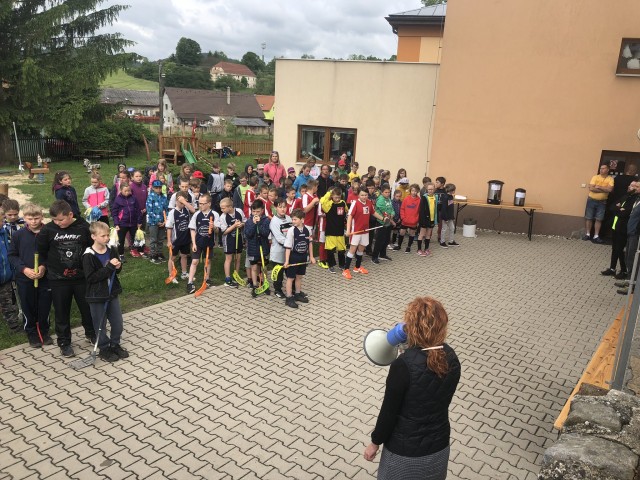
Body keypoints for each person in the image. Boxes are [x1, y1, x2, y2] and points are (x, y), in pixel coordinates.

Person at [364, 297, 461, 480]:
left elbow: (389, 412)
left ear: (412, 327)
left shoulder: (403, 365)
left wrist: (375, 442)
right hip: (439, 448)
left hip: (404, 454)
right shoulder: (451, 357)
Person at [37, 200, 96, 357]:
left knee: (87, 308)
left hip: (81, 277)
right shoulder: (48, 230)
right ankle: (64, 342)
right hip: (58, 279)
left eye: (61, 219)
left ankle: (91, 333)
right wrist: (43, 265)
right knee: (61, 311)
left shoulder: (83, 227)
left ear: (70, 215)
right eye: (54, 220)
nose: (57, 223)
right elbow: (41, 251)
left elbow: (93, 247)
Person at [82, 221, 128, 363]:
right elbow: (91, 277)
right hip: (96, 295)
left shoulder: (111, 249)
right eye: (103, 236)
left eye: (108, 235)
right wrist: (109, 267)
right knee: (100, 323)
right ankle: (104, 347)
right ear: (93, 236)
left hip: (111, 292)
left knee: (117, 322)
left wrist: (118, 266)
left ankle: (115, 344)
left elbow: (116, 270)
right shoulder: (88, 255)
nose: (106, 238)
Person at [8, 203, 52, 345]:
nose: (33, 221)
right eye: (30, 218)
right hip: (25, 278)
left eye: (36, 218)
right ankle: (31, 332)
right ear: (24, 218)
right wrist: (24, 269)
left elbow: (53, 254)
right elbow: (12, 255)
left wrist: (44, 266)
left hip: (45, 278)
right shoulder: (18, 235)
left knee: (44, 305)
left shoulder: (48, 232)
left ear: (42, 217)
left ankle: (44, 331)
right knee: (28, 305)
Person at [343, 187, 386, 280]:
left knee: (361, 249)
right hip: (356, 231)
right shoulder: (355, 203)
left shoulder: (369, 202)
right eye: (362, 195)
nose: (364, 197)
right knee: (352, 250)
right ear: (358, 195)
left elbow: (373, 213)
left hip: (365, 230)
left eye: (366, 195)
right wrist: (348, 230)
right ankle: (346, 270)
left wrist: (383, 219)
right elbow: (349, 216)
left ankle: (357, 267)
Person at [603, 181, 637, 278]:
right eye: (629, 185)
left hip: (624, 229)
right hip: (616, 226)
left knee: (620, 249)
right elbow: (612, 207)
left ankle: (624, 270)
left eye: (632, 186)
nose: (629, 187)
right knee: (615, 248)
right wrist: (619, 209)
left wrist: (619, 208)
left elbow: (626, 213)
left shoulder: (634, 200)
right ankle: (612, 268)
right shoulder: (625, 196)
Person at [284, 208, 315, 308]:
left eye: (295, 219)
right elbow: (288, 247)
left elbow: (310, 244)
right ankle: (289, 297)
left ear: (302, 220)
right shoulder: (291, 231)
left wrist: (311, 257)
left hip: (303, 257)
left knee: (299, 276)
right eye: (292, 219)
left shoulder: (308, 230)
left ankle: (297, 294)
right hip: (294, 257)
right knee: (290, 278)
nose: (293, 221)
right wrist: (287, 261)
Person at [187, 193, 218, 294]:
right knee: (195, 261)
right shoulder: (196, 214)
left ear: (209, 203)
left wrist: (213, 227)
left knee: (207, 261)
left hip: (209, 243)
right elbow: (192, 229)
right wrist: (194, 243)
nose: (200, 205)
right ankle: (190, 282)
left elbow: (218, 231)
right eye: (199, 203)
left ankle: (207, 279)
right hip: (198, 242)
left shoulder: (215, 214)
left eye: (203, 203)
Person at [244, 200, 271, 297]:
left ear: (262, 210)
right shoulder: (248, 221)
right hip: (252, 248)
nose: (255, 213)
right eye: (253, 211)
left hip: (263, 247)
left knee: (263, 267)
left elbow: (265, 233)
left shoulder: (266, 220)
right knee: (254, 267)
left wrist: (259, 224)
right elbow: (248, 234)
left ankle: (265, 283)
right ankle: (255, 285)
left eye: (258, 211)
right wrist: (254, 224)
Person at [0, 203, 19, 333]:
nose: (3, 223)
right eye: (1, 221)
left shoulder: (3, 234)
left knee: (8, 302)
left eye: (2, 220)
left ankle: (14, 326)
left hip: (5, 276)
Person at [165, 190, 192, 282]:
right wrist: (169, 241)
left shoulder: (187, 209)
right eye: (181, 202)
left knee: (184, 256)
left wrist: (184, 202)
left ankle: (184, 273)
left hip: (186, 239)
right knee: (172, 258)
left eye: (184, 202)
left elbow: (193, 210)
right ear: (176, 201)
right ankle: (171, 275)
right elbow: (169, 228)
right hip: (175, 240)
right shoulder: (172, 212)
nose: (182, 204)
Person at [111, 183, 143, 260]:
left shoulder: (133, 198)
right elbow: (114, 212)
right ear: (121, 190)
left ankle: (139, 250)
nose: (127, 192)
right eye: (125, 191)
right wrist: (116, 223)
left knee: (136, 237)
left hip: (133, 223)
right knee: (121, 240)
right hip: (122, 224)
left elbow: (138, 210)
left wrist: (139, 221)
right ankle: (121, 254)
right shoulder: (118, 199)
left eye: (128, 190)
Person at [219, 198, 245, 288]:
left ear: (230, 207)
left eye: (223, 208)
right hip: (228, 240)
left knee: (238, 258)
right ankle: (228, 278)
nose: (221, 210)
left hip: (239, 238)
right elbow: (224, 231)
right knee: (229, 258)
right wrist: (234, 225)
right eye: (221, 208)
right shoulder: (223, 217)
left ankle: (236, 276)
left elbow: (244, 221)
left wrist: (241, 224)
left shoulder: (239, 211)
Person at [584, 164, 614, 243]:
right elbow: (591, 188)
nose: (601, 170)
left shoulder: (610, 179)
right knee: (589, 217)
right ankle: (587, 234)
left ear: (608, 170)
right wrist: (604, 189)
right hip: (591, 200)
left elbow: (610, 190)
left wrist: (599, 187)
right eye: (601, 168)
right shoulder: (595, 177)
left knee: (599, 219)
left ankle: (596, 235)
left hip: (602, 202)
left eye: (603, 168)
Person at [321, 187, 348, 273]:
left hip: (340, 231)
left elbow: (347, 212)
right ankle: (331, 265)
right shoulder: (328, 204)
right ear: (332, 196)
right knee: (330, 250)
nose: (337, 199)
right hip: (331, 231)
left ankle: (342, 265)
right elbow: (322, 201)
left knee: (342, 250)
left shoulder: (343, 203)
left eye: (339, 197)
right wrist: (329, 193)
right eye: (335, 197)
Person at [269, 198, 292, 297]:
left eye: (284, 207)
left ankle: (292, 289)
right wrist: (291, 244)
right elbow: (280, 238)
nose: (282, 209)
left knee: (290, 272)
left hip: (289, 252)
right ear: (275, 208)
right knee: (278, 274)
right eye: (280, 207)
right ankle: (278, 290)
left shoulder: (289, 218)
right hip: (278, 252)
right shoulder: (274, 221)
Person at [371, 185, 396, 264]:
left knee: (386, 239)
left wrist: (392, 214)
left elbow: (392, 209)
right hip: (381, 222)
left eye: (389, 192)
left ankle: (383, 254)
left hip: (388, 222)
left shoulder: (388, 199)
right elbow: (384, 211)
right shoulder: (380, 200)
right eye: (386, 192)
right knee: (379, 240)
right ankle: (374, 257)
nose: (388, 194)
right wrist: (390, 217)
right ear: (382, 192)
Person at [146, 180, 168, 264]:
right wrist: (157, 221)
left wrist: (165, 221)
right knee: (153, 239)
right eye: (156, 188)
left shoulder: (164, 197)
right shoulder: (150, 197)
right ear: (153, 188)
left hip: (163, 222)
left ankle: (159, 253)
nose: (158, 189)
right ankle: (152, 255)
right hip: (153, 222)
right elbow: (149, 211)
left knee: (160, 239)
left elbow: (166, 209)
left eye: (159, 187)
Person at [398, 184, 421, 253]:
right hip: (405, 220)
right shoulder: (406, 199)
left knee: (412, 233)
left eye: (415, 191)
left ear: (417, 191)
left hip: (413, 221)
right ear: (410, 191)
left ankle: (408, 247)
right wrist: (403, 217)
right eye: (412, 190)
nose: (414, 192)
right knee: (402, 232)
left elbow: (419, 211)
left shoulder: (419, 200)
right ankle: (399, 245)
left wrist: (416, 219)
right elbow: (402, 209)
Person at [417, 182, 437, 257]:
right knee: (422, 234)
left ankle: (426, 249)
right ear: (426, 189)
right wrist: (422, 221)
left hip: (432, 219)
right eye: (429, 189)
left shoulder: (435, 197)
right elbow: (421, 210)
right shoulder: (424, 198)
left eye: (432, 189)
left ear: (434, 189)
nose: (430, 191)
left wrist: (436, 219)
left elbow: (436, 209)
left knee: (428, 234)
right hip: (424, 220)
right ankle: (419, 249)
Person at [440, 183, 460, 248]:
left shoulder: (451, 197)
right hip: (445, 217)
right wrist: (445, 218)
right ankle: (442, 242)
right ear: (450, 190)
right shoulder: (445, 197)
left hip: (450, 217)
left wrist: (452, 217)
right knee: (444, 229)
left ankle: (451, 242)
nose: (454, 191)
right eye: (453, 190)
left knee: (452, 228)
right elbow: (444, 209)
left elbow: (450, 207)